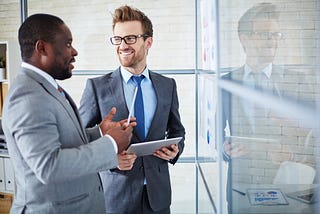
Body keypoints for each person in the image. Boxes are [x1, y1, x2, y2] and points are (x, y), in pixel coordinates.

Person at [1, 13, 135, 214]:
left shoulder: (45, 86)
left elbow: (62, 140)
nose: (74, 52)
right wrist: (111, 144)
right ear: (42, 48)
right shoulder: (28, 96)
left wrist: (99, 133)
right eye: (67, 44)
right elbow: (49, 166)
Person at [79, 5, 186, 214]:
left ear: (148, 42)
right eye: (117, 39)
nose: (122, 45)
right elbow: (81, 140)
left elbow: (177, 131)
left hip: (158, 197)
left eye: (130, 38)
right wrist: (111, 159)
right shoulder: (97, 87)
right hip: (116, 198)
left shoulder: (167, 85)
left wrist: (175, 150)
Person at [222, 3, 317, 213]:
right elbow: (217, 136)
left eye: (276, 34)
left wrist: (292, 154)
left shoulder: (297, 82)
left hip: (290, 186)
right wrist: (225, 149)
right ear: (244, 38)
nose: (272, 41)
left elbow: (313, 137)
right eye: (265, 34)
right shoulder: (226, 83)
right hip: (241, 185)